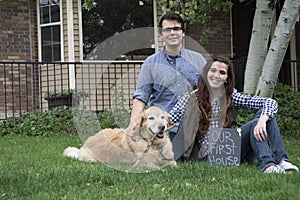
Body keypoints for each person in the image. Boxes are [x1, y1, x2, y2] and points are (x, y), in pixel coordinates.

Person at [169, 55, 298, 173]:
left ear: (227, 79)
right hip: (208, 154)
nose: (216, 75)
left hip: (230, 149)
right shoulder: (193, 97)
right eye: (213, 70)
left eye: (222, 72)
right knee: (257, 122)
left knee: (266, 116)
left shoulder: (231, 97)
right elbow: (170, 119)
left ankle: (281, 162)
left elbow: (270, 102)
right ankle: (269, 165)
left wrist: (262, 120)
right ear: (206, 73)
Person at [130, 12, 207, 138]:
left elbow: (211, 90)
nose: (172, 33)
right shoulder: (150, 63)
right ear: (161, 34)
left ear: (183, 33)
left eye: (176, 29)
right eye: (167, 30)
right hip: (161, 128)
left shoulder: (198, 60)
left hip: (193, 126)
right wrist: (133, 127)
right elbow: (141, 96)